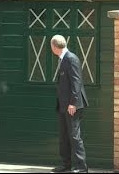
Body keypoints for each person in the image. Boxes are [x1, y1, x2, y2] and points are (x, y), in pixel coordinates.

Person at [50, 34, 89, 173]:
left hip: (72, 105)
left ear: (53, 47)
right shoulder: (63, 59)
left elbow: (76, 82)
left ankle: (81, 167)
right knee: (64, 135)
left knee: (74, 136)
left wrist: (73, 103)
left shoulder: (71, 58)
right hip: (63, 105)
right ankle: (66, 164)